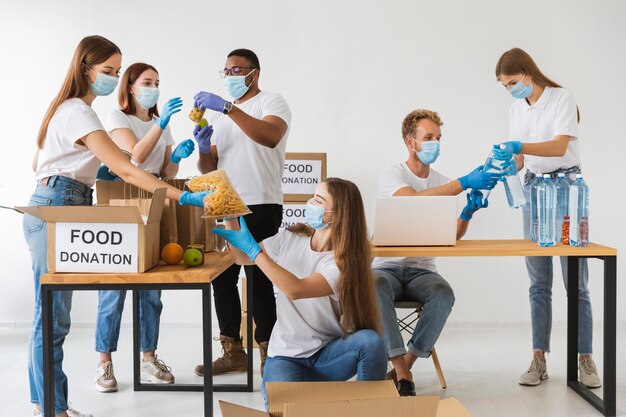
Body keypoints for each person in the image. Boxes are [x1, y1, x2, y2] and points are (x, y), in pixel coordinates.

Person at [23, 35, 210, 417]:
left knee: (51, 316)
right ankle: (53, 409)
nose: (112, 78)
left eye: (117, 71)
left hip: (64, 199)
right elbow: (127, 168)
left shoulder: (70, 109)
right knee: (52, 319)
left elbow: (40, 165)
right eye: (107, 71)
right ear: (84, 69)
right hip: (58, 205)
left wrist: (93, 169)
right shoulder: (79, 110)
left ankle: (48, 403)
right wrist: (180, 196)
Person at [213, 178, 387, 406]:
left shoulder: (343, 264)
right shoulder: (289, 238)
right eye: (313, 195)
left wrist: (255, 251)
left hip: (328, 356)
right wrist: (230, 214)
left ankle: (368, 409)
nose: (310, 202)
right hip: (285, 357)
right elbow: (240, 257)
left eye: (318, 199)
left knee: (371, 343)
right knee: (283, 408)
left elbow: (296, 289)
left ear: (337, 214)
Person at [493, 47, 601, 388]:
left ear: (527, 73)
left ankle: (585, 358)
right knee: (538, 283)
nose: (510, 90)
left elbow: (557, 148)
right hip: (533, 193)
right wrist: (503, 165)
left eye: (511, 82)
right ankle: (539, 358)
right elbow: (522, 161)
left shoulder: (561, 98)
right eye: (504, 85)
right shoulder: (515, 108)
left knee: (576, 283)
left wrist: (519, 146)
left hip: (567, 192)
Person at [373, 109, 496, 396]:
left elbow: (450, 235)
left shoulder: (442, 180)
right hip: (386, 268)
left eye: (438, 138)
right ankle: (401, 370)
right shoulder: (393, 174)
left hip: (422, 271)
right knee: (374, 284)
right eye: (428, 137)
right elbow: (410, 202)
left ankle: (405, 366)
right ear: (410, 141)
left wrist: (467, 213)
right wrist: (462, 184)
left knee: (443, 293)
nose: (435, 144)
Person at [93, 62, 196, 392]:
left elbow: (165, 168)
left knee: (152, 287)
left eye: (157, 82)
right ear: (131, 87)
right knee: (115, 287)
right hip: (121, 202)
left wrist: (177, 154)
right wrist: (161, 125)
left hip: (154, 203)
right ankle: (104, 364)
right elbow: (134, 158)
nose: (154, 87)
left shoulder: (158, 122)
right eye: (147, 82)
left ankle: (148, 358)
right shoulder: (116, 118)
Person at [192, 48, 291, 377]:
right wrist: (204, 148)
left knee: (260, 279)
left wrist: (229, 107)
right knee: (222, 278)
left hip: (261, 201)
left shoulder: (271, 102)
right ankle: (232, 351)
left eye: (237, 70)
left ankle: (270, 355)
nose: (231, 77)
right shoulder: (221, 119)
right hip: (224, 201)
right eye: (227, 71)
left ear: (255, 73)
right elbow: (209, 168)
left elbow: (271, 136)